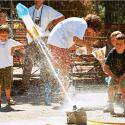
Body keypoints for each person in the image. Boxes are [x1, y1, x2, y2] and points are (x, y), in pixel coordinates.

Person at [47, 14, 102, 93]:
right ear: (93, 26)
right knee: (65, 68)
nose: (91, 33)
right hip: (58, 43)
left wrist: (80, 49)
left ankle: (61, 90)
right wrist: (87, 45)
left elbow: (72, 45)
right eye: (94, 31)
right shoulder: (83, 24)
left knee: (63, 67)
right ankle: (63, 92)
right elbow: (76, 39)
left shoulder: (78, 22)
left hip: (55, 42)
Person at [21, 0, 64, 95]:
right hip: (32, 39)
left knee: (45, 63)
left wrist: (52, 23)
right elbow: (23, 21)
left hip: (44, 38)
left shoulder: (48, 9)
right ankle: (24, 88)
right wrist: (27, 29)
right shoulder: (29, 10)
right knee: (28, 62)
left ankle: (45, 87)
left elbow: (61, 17)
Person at [0, 24, 23, 110]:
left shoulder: (11, 41)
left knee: (8, 85)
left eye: (5, 35)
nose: (4, 36)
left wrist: (14, 47)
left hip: (8, 67)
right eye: (2, 35)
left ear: (8, 34)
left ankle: (9, 99)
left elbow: (21, 45)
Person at [103, 33, 125, 113]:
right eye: (117, 44)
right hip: (114, 74)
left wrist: (121, 78)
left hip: (124, 75)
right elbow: (105, 67)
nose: (118, 46)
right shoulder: (112, 53)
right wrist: (114, 76)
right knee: (110, 87)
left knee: (123, 88)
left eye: (121, 44)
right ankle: (110, 105)